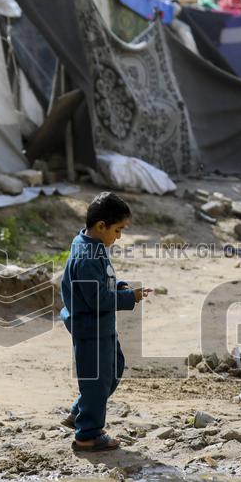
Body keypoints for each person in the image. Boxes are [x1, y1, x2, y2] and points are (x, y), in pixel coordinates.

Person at [59, 192, 149, 452]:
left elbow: (100, 284)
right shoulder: (87, 256)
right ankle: (87, 435)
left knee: (113, 369)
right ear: (101, 226)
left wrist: (120, 286)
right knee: (97, 381)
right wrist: (129, 297)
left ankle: (80, 412)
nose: (118, 237)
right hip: (91, 330)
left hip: (103, 326)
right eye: (117, 230)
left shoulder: (92, 245)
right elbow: (98, 299)